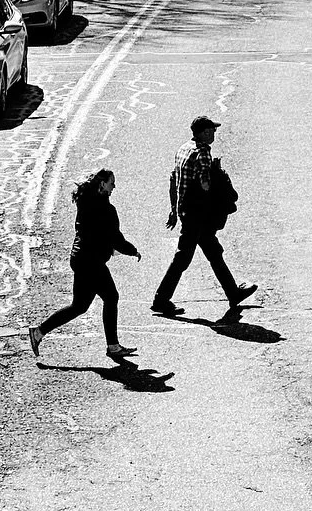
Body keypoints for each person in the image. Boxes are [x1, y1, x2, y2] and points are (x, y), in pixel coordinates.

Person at [29, 167, 140, 362]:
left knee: (79, 306)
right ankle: (113, 346)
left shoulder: (85, 201)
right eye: (112, 182)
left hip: (80, 258)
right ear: (102, 184)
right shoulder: (106, 209)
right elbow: (116, 238)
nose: (114, 186)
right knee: (111, 297)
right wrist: (133, 250)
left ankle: (38, 332)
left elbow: (98, 233)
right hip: (92, 261)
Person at [151, 115, 256, 316]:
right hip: (197, 214)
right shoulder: (203, 153)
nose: (215, 133)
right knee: (183, 258)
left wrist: (174, 209)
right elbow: (205, 185)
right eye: (212, 130)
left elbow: (174, 179)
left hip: (186, 211)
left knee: (213, 252)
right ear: (205, 132)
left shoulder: (183, 149)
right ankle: (161, 300)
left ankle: (233, 293)